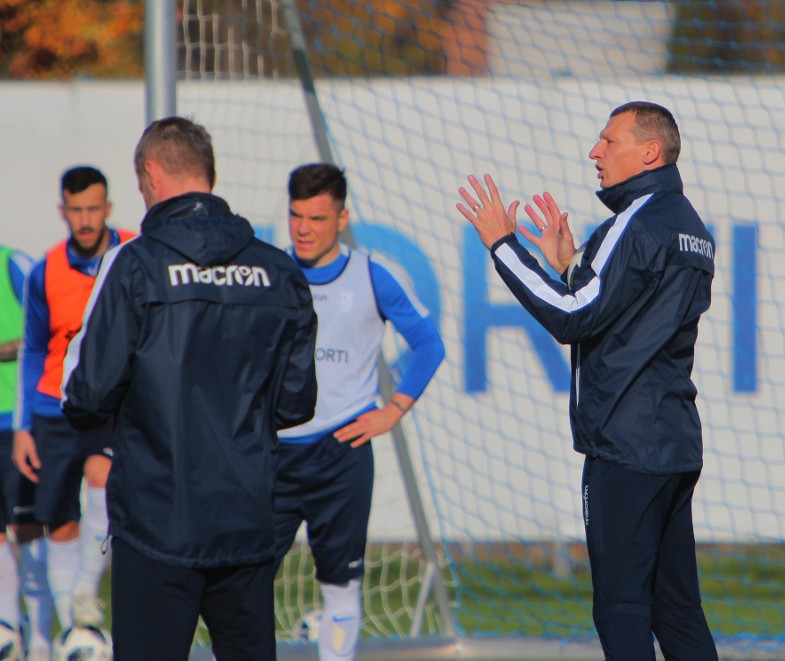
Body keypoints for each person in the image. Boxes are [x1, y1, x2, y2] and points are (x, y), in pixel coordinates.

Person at [457, 101, 718, 660]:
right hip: (671, 442)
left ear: (649, 151)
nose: (594, 152)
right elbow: (626, 312)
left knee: (622, 608)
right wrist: (569, 264)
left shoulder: (639, 220)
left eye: (608, 140)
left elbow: (573, 316)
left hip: (628, 446)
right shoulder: (687, 224)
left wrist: (505, 246)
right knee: (676, 609)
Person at [61, 116, 318, 660]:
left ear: (152, 173)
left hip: (157, 520)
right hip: (246, 520)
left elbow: (84, 395)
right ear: (210, 173)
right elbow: (296, 402)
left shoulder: (132, 264)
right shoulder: (279, 271)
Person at [275, 163, 445, 661]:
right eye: (295, 216)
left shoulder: (371, 276)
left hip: (340, 454)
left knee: (340, 583)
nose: (304, 228)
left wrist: (392, 411)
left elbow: (428, 345)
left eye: (317, 218)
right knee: (243, 579)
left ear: (342, 218)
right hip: (273, 454)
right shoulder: (270, 273)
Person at [13, 166, 135, 634]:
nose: (85, 220)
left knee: (103, 476)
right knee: (59, 522)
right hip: (53, 407)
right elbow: (36, 350)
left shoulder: (133, 252)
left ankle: (86, 586)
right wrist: (24, 427)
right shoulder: (45, 271)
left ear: (108, 208)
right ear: (62, 211)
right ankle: (75, 632)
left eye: (93, 209)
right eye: (76, 210)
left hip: (111, 405)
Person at [0, 245, 54, 660]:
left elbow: (52, 332)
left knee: (29, 526)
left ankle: (41, 635)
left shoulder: (13, 265)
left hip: (16, 423)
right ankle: (7, 628)